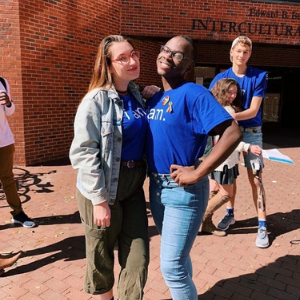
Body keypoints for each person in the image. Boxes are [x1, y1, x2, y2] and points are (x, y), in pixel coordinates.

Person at [145, 35, 242, 300]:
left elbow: (232, 133)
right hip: (157, 188)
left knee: (172, 266)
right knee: (178, 257)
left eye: (177, 54)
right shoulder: (156, 97)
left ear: (188, 65)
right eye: (165, 49)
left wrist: (199, 171)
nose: (167, 55)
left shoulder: (194, 93)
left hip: (183, 191)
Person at [69, 35, 149, 300]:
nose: (132, 60)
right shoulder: (95, 101)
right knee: (101, 255)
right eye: (123, 58)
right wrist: (99, 200)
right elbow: (84, 151)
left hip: (133, 187)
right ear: (108, 64)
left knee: (138, 257)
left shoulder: (137, 95)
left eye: (134, 54)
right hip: (102, 187)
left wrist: (154, 94)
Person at [209, 35, 269, 248]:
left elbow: (253, 110)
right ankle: (230, 214)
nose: (241, 55)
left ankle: (262, 224)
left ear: (249, 54)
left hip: (251, 131)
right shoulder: (220, 78)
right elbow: (210, 106)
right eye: (238, 51)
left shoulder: (259, 76)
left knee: (256, 177)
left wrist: (228, 115)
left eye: (246, 52)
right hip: (227, 131)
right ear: (231, 52)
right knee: (229, 175)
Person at [200, 78, 262, 237]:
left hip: (215, 158)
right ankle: (198, 219)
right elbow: (228, 139)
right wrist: (248, 147)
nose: (233, 95)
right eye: (230, 92)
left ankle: (206, 224)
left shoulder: (214, 107)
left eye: (235, 92)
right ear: (222, 91)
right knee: (226, 193)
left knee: (214, 189)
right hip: (225, 161)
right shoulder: (228, 111)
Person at [0, 76, 36, 228]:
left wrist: (8, 103)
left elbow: (10, 112)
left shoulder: (2, 81)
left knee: (8, 179)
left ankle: (18, 213)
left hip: (4, 140)